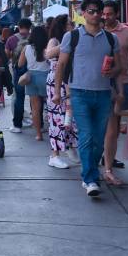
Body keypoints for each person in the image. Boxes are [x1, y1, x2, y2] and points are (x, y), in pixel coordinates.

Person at [55, 0, 121, 197]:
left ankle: (91, 170)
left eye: (97, 11)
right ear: (83, 14)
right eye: (90, 11)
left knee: (99, 139)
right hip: (79, 93)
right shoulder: (72, 36)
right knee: (86, 135)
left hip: (103, 94)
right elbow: (61, 65)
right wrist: (57, 92)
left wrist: (113, 73)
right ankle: (90, 179)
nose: (94, 14)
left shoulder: (111, 38)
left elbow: (120, 66)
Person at [101, 1, 128, 178]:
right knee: (106, 125)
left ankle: (108, 156)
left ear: (117, 13)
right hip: (99, 83)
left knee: (114, 125)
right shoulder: (96, 31)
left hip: (121, 82)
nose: (105, 17)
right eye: (103, 14)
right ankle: (105, 157)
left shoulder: (127, 32)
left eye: (109, 14)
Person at [44, 15, 78, 169]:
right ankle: (54, 155)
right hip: (56, 83)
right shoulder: (55, 40)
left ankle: (70, 146)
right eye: (70, 24)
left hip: (70, 80)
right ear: (63, 26)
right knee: (57, 117)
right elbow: (48, 54)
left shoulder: (74, 39)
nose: (73, 26)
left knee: (71, 116)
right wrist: (67, 42)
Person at [18, 25, 51, 142]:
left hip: (31, 78)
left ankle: (38, 134)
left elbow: (20, 64)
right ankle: (54, 132)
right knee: (52, 107)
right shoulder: (48, 47)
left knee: (35, 109)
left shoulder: (26, 48)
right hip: (47, 77)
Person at [5, 18, 32, 133]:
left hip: (18, 69)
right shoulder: (34, 38)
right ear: (30, 27)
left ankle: (17, 125)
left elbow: (7, 54)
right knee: (35, 97)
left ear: (19, 26)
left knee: (18, 97)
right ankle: (39, 124)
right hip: (33, 70)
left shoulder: (11, 39)